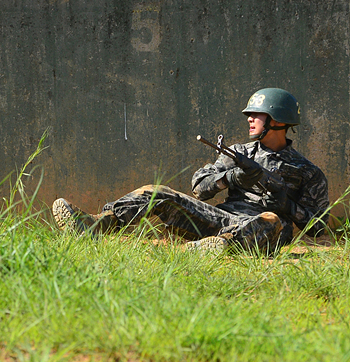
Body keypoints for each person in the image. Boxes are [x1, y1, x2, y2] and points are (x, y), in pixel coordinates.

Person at [52, 88, 330, 254]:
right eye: (249, 114)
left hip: (262, 230)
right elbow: (199, 188)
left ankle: (215, 249)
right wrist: (229, 178)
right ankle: (97, 224)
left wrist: (289, 207)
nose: (249, 119)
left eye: (257, 114)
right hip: (221, 217)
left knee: (271, 219)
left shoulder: (307, 171)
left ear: (278, 120)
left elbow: (318, 227)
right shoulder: (240, 153)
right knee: (157, 192)